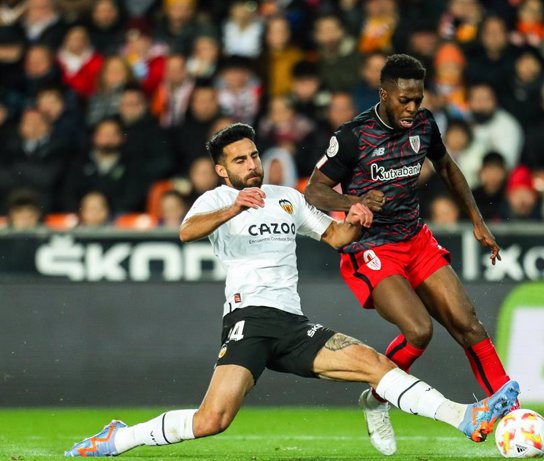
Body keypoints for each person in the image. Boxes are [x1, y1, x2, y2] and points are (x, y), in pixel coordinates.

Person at [64, 123, 519, 457]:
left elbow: (336, 239)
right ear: (222, 171)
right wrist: (232, 209)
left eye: (254, 156)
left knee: (375, 365)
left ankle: (465, 416)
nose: (251, 165)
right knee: (211, 421)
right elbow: (186, 231)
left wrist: (356, 221)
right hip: (250, 321)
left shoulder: (289, 198)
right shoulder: (217, 201)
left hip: (293, 324)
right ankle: (118, 438)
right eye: (239, 160)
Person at [304, 54, 515, 456]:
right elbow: (313, 190)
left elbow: (448, 168)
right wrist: (354, 199)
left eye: (418, 98)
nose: (412, 107)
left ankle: (513, 415)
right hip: (371, 248)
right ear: (383, 94)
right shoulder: (352, 136)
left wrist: (477, 221)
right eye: (404, 99)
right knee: (419, 330)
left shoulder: (424, 124)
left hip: (416, 239)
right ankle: (377, 399)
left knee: (468, 324)